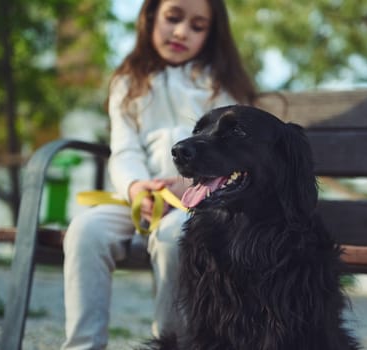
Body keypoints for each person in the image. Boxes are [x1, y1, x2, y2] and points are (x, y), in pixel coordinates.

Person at [61, 0, 256, 348]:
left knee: (175, 237)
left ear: (211, 35)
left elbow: (230, 158)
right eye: (173, 18)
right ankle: (83, 344)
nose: (181, 31)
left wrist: (185, 188)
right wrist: (136, 188)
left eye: (197, 26)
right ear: (150, 17)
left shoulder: (221, 87)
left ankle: (170, 344)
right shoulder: (128, 82)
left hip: (197, 205)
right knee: (85, 230)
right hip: (136, 201)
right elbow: (124, 150)